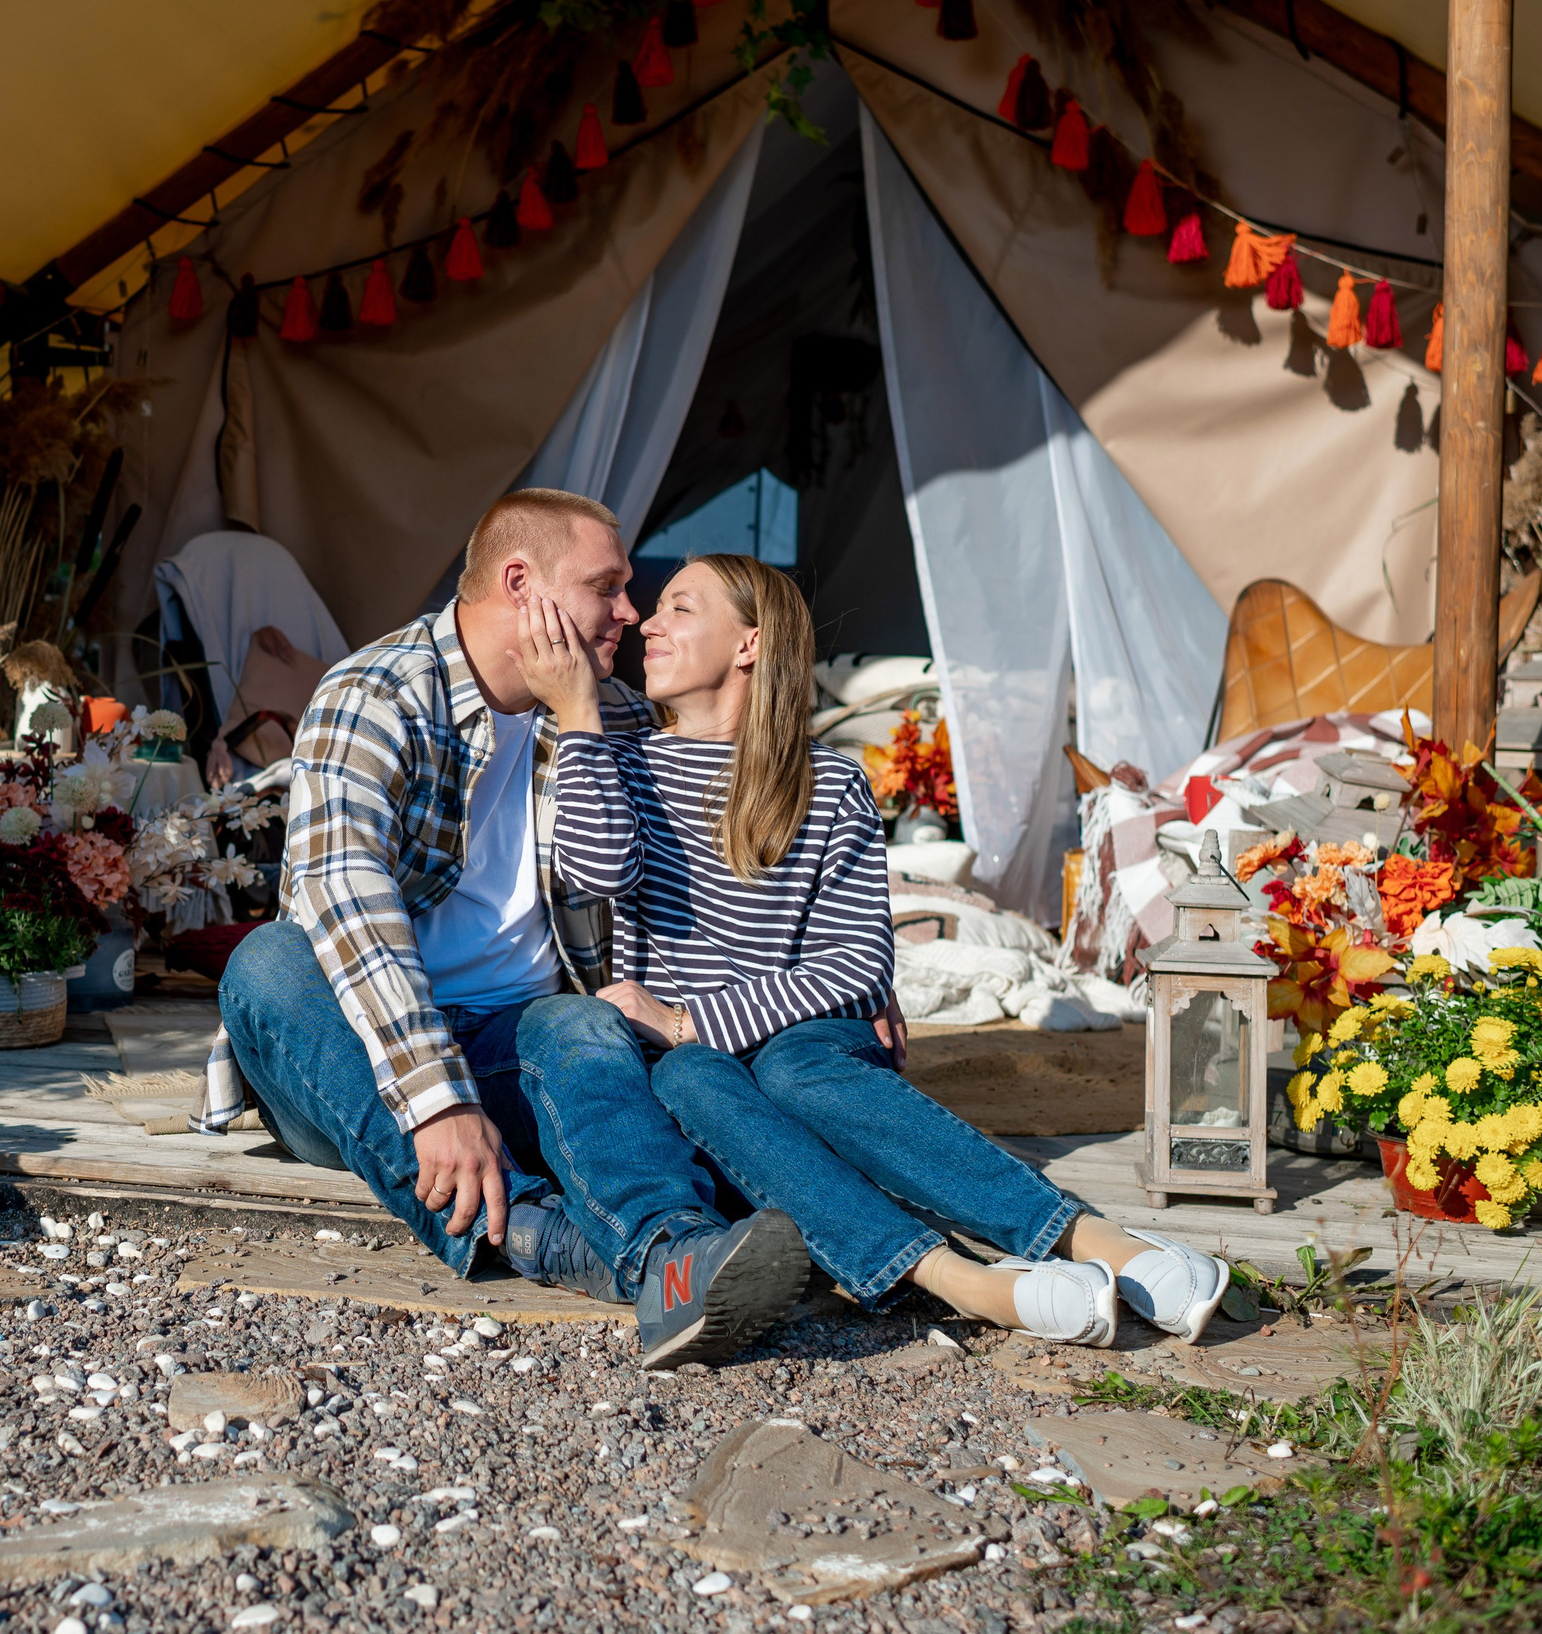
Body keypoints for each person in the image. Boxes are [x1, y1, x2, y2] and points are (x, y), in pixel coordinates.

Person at [514, 553, 1230, 1345]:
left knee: (780, 1063)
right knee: (690, 1075)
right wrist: (578, 713)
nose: (648, 621)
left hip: (807, 1045)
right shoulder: (623, 766)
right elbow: (596, 867)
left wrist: (690, 1019)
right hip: (705, 1078)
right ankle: (962, 1280)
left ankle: (1096, 1241)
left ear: (749, 643)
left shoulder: (826, 781)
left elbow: (857, 964)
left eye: (678, 607)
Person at [200, 491, 815, 1368]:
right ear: (522, 583)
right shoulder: (377, 693)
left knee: (584, 1020)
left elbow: (752, 818)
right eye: (609, 587)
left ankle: (672, 1258)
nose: (631, 614)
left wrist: (859, 977)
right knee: (267, 965)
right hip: (361, 1060)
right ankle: (536, 1233)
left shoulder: (604, 717)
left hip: (519, 1050)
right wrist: (437, 1099)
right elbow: (345, 892)